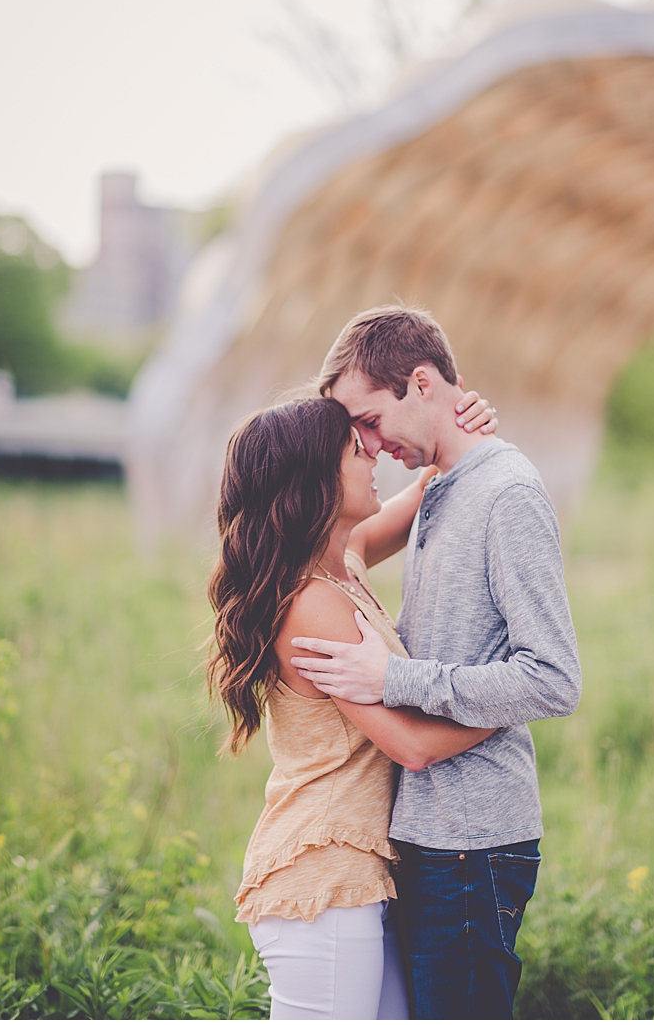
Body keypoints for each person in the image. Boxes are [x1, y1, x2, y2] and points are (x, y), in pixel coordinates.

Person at [288, 305, 582, 1020]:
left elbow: (553, 675)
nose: (366, 442)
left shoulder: (505, 492)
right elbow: (336, 548)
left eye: (368, 419)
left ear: (421, 383)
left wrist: (392, 678)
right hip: (427, 837)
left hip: (473, 842)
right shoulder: (442, 486)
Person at [207, 388, 502, 1019]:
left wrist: (456, 424)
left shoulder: (341, 564)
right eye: (354, 446)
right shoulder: (312, 603)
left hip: (358, 881)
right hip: (321, 884)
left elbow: (426, 487)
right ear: (315, 479)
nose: (372, 452)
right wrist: (521, 694)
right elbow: (413, 746)